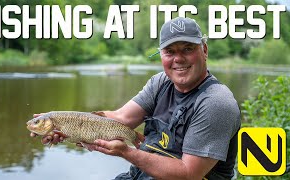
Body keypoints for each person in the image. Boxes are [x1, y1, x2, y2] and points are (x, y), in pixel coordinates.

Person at [31, 17, 240, 180]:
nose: (178, 59)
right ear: (161, 55)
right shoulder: (161, 82)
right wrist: (66, 126)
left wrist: (127, 153)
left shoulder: (216, 103)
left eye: (187, 49)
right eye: (169, 51)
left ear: (204, 50)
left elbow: (188, 174)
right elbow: (121, 118)